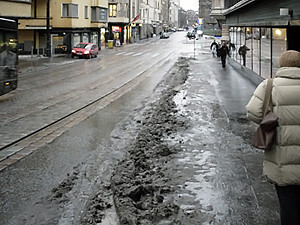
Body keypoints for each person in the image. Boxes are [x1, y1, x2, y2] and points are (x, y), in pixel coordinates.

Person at [246, 50, 300, 225]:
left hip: (281, 158)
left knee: (289, 206)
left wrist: (271, 119)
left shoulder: (269, 85)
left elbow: (252, 111)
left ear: (281, 65)